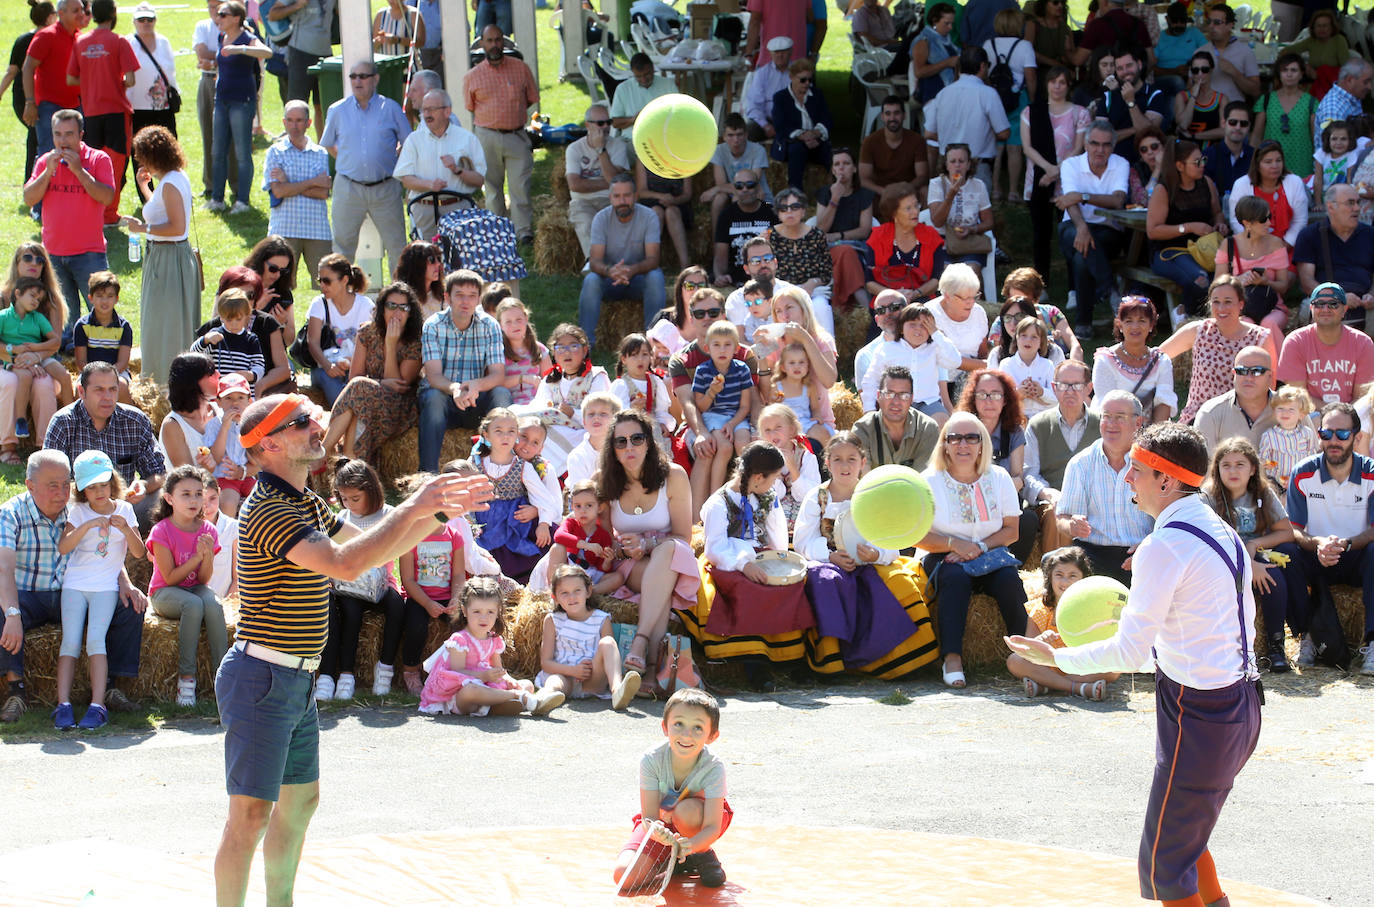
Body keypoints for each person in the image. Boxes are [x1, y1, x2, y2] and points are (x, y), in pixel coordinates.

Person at [213, 393, 492, 905]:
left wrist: (436, 516)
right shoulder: (269, 507)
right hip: (262, 678)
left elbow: (372, 552)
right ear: (269, 444)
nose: (318, 427)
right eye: (303, 423)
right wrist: (414, 504)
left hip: (291, 679)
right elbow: (343, 563)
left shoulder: (305, 498)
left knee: (299, 807)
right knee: (248, 817)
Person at [1007, 422, 1264, 907]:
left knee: (1164, 865)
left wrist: (1057, 655)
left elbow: (1128, 653)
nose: (1127, 479)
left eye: (1137, 471)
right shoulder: (1221, 530)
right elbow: (1165, 646)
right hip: (1237, 704)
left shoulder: (1163, 546)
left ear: (1167, 481)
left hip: (1201, 713)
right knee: (1185, 844)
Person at [0, 449, 148, 725]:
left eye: (64, 484)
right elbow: (3, 569)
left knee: (131, 606)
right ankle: (16, 690)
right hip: (31, 594)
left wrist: (126, 583)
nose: (60, 492)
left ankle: (111, 687)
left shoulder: (82, 505)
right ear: (30, 485)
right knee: (2, 612)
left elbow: (103, 553)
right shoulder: (12, 514)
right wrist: (12, 613)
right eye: (51, 485)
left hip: (78, 588)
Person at [918, 411, 1029, 689]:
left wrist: (977, 547)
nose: (962, 444)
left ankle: (1028, 653)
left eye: (971, 437)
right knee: (954, 578)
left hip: (989, 553)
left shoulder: (1000, 477)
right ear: (944, 444)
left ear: (983, 444)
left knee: (1009, 580)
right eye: (954, 438)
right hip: (942, 554)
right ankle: (952, 657)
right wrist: (953, 544)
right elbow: (917, 535)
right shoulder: (928, 481)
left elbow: (1012, 531)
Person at [601, 410, 702, 684]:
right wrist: (623, 549)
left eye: (636, 438)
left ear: (649, 441)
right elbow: (606, 543)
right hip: (632, 566)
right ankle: (651, 667)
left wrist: (648, 543)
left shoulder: (674, 475)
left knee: (667, 553)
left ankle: (640, 643)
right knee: (660, 584)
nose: (629, 447)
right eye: (620, 442)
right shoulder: (605, 479)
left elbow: (684, 536)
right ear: (612, 449)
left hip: (671, 556)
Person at [320, 459, 426, 698]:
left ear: (370, 490)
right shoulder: (343, 517)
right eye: (344, 499)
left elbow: (398, 550)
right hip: (351, 585)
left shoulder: (388, 514)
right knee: (350, 611)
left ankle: (386, 666)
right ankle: (346, 673)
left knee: (397, 605)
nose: (349, 504)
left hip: (382, 582)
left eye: (355, 498)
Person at [53, 449, 143, 730]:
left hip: (105, 588)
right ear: (81, 490)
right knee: (69, 642)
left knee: (95, 642)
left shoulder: (125, 509)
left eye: (104, 484)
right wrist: (88, 524)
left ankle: (97, 705)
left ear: (112, 483)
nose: (99, 491)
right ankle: (63, 704)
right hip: (75, 585)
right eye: (91, 487)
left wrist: (126, 529)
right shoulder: (78, 511)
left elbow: (139, 553)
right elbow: (64, 546)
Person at [1285, 402, 1374, 675]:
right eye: (1327, 433)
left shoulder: (1372, 473)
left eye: (1342, 434)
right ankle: (1307, 636)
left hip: (1356, 554)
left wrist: (1345, 544)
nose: (1333, 441)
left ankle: (1372, 643)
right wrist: (1320, 543)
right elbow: (1295, 528)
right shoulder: (1302, 472)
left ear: (1357, 438)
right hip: (1316, 554)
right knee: (1285, 551)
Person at [612, 688, 730, 889]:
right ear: (665, 727)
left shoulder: (713, 767)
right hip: (661, 823)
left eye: (698, 728)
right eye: (679, 724)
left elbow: (712, 826)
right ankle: (671, 860)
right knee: (623, 877)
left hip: (696, 821)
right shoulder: (651, 759)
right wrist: (658, 832)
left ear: (712, 736)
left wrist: (692, 845)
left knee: (685, 811)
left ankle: (700, 853)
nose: (686, 734)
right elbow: (648, 817)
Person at [1204, 437, 1300, 672]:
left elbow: (1287, 533)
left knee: (1273, 579)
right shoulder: (1206, 496)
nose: (1233, 471)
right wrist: (1247, 564)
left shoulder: (1263, 493)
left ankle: (1276, 646)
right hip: (1221, 559)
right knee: (1260, 575)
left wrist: (1255, 544)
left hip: (1256, 555)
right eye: (1226, 465)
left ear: (1253, 469)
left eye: (1240, 464)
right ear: (1217, 469)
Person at [22, 108, 113, 349]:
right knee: (62, 315)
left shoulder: (98, 160)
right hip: (53, 254)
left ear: (81, 134)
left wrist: (79, 171)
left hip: (89, 253)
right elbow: (29, 198)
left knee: (102, 311)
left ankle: (104, 355)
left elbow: (106, 197)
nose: (63, 141)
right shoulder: (44, 161)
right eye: (58, 134)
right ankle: (70, 353)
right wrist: (47, 173)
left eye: (69, 134)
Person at [44, 362, 165, 528]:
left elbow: (159, 473)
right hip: (77, 509)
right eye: (99, 390)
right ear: (81, 392)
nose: (107, 397)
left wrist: (143, 485)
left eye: (112, 389)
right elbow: (48, 478)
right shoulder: (63, 422)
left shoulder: (135, 421)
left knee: (168, 496)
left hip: (125, 507)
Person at [120, 125, 196, 385]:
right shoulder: (172, 179)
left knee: (165, 325)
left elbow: (176, 227)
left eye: (142, 156)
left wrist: (142, 229)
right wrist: (145, 188)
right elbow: (162, 211)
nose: (139, 161)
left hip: (168, 260)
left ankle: (164, 382)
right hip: (166, 256)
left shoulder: (172, 183)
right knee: (162, 322)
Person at [321, 59, 411, 275]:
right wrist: (348, 161)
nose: (357, 81)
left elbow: (409, 142)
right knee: (341, 250)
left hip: (385, 188)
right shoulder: (337, 110)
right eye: (353, 76)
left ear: (375, 79)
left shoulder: (390, 108)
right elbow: (327, 143)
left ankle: (400, 297)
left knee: (398, 248)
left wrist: (392, 161)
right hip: (348, 188)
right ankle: (339, 299)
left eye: (363, 76)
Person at [146, 464, 225, 707]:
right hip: (164, 593)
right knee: (193, 605)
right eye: (186, 494)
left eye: (198, 494)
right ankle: (187, 678)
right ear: (169, 498)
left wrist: (207, 558)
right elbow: (169, 578)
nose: (194, 500)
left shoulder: (208, 529)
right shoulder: (161, 531)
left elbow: (202, 581)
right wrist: (196, 558)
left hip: (193, 588)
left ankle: (225, 675)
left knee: (213, 605)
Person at [417, 270, 510, 473]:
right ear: (447, 297)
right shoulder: (433, 326)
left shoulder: (490, 325)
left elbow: (497, 374)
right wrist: (455, 389)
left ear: (478, 299)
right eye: (459, 295)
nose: (465, 301)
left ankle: (503, 467)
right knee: (433, 397)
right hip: (444, 398)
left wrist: (476, 385)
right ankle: (427, 474)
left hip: (476, 399)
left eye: (471, 296)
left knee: (502, 394)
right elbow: (433, 375)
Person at [318, 281, 422, 462]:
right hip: (365, 398)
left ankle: (325, 453)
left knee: (359, 391)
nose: (397, 313)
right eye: (391, 306)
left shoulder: (416, 340)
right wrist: (380, 383)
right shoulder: (367, 332)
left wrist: (390, 344)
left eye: (403, 308)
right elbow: (354, 377)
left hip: (398, 409)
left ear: (410, 312)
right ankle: (348, 460)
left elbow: (397, 387)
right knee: (358, 394)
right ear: (382, 308)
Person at [1057, 390, 1153, 582]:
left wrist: (1150, 547)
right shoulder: (1080, 464)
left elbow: (1168, 519)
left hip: (1142, 550)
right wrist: (1072, 526)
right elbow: (1062, 517)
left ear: (1138, 422)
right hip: (1092, 554)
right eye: (1106, 417)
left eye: (1119, 417)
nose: (1111, 424)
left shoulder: (1153, 464)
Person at [1008, 546, 1119, 699]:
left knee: (1113, 669)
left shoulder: (1093, 609)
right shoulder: (1040, 609)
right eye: (1059, 575)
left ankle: (1048, 686)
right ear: (1050, 578)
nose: (1065, 581)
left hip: (1082, 667)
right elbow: (1029, 648)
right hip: (1049, 668)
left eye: (1072, 575)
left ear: (1083, 579)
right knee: (1015, 660)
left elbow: (1101, 646)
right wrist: (1040, 640)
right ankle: (1077, 688)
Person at [1163, 275, 1275, 424]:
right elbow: (1156, 357)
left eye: (1228, 302)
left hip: (1240, 419)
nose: (1221, 308)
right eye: (1216, 302)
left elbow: (1269, 384)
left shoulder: (1260, 338)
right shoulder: (1198, 330)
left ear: (1241, 304)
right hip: (1198, 418)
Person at [956, 368, 1042, 561]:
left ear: (1005, 400)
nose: (988, 400)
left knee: (1028, 521)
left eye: (995, 394)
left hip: (1001, 503)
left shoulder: (1014, 431)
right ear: (973, 398)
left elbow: (1019, 478)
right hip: (964, 501)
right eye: (982, 394)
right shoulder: (959, 429)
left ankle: (1006, 565)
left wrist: (993, 490)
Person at [465, 25, 538, 245]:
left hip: (516, 134)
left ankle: (523, 231)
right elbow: (470, 106)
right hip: (487, 135)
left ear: (504, 43)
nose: (495, 45)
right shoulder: (472, 76)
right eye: (490, 41)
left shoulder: (521, 68)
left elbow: (531, 98)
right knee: (492, 187)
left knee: (520, 186)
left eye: (498, 40)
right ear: (482, 44)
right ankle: (498, 232)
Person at [65, 0, 137, 224]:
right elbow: (131, 79)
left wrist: (91, 80)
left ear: (91, 14)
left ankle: (90, 211)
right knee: (114, 164)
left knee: (90, 162)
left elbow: (70, 78)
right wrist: (114, 81)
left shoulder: (81, 41)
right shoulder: (119, 41)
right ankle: (109, 214)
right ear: (113, 13)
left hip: (91, 112)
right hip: (116, 112)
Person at [1056, 119, 1127, 338]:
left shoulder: (1120, 163)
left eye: (1106, 145)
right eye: (1095, 143)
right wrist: (1082, 228)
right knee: (1081, 243)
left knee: (1082, 256)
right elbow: (1070, 202)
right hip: (1074, 226)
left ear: (1112, 147)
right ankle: (1110, 290)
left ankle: (1084, 323)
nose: (1100, 149)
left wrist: (1083, 196)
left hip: (1108, 229)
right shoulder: (1071, 165)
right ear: (1086, 144)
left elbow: (1118, 200)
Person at [579, 174, 666, 347]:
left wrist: (631, 270)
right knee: (591, 280)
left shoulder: (649, 217)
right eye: (617, 196)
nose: (622, 201)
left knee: (656, 277)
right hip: (610, 280)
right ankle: (585, 344)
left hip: (637, 279)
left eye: (627, 195)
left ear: (635, 196)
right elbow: (595, 261)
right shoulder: (601, 219)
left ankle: (653, 341)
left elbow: (653, 259)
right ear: (610, 198)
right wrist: (610, 271)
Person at [536, 564, 640, 708]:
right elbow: (546, 663)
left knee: (608, 642)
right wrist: (573, 671)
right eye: (564, 593)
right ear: (555, 597)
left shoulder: (601, 619)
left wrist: (586, 670)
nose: (571, 597)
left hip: (592, 681)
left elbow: (609, 656)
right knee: (554, 681)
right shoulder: (553, 620)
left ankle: (617, 690)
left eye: (577, 590)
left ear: (588, 591)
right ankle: (542, 699)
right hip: (565, 677)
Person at [1022, 359, 1099, 553]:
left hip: (1092, 500)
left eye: (1077, 385)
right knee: (1058, 511)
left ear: (1088, 388)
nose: (1070, 391)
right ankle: (1055, 574)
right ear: (1054, 388)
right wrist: (1048, 493)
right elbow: (1029, 473)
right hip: (1051, 500)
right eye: (1064, 385)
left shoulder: (1102, 425)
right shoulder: (1038, 425)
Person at [1147, 139, 1226, 324]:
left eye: (1203, 160)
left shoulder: (1206, 183)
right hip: (1170, 251)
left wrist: (1220, 224)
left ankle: (1205, 321)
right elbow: (1153, 231)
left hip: (1204, 249)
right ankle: (1187, 320)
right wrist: (1188, 228)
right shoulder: (1164, 189)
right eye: (1196, 162)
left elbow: (1217, 213)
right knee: (1200, 279)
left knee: (1224, 278)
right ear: (1180, 166)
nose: (1202, 165)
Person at [1021, 65, 1090, 276]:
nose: (1057, 86)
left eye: (1062, 82)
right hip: (1038, 179)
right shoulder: (1030, 111)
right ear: (1047, 84)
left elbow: (1078, 147)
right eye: (1053, 81)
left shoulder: (1080, 112)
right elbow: (1027, 148)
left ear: (1068, 86)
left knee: (1069, 233)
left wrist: (1056, 172)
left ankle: (1073, 287)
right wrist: (1048, 169)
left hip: (1068, 181)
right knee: (1040, 235)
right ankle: (1042, 284)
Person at [394, 88, 484, 241]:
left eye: (432, 109)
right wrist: (429, 185)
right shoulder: (413, 140)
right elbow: (406, 180)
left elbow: (479, 180)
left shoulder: (467, 139)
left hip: (458, 209)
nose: (427, 114)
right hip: (424, 210)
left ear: (447, 112)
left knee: (458, 260)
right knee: (426, 260)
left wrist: (457, 170)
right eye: (424, 110)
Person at [207, 2, 270, 214]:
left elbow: (267, 52)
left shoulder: (246, 37)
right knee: (218, 151)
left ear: (236, 18)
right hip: (221, 100)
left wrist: (240, 49)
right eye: (218, 14)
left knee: (242, 152)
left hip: (242, 102)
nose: (219, 17)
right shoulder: (220, 37)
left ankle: (242, 201)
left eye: (223, 14)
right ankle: (217, 199)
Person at [263, 100, 332, 282]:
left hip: (317, 230)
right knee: (278, 286)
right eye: (290, 120)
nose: (294, 125)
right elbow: (278, 192)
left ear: (309, 123)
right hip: (284, 229)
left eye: (299, 120)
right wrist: (313, 182)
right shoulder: (274, 153)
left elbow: (323, 193)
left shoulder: (321, 153)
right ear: (284, 122)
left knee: (328, 285)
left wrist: (289, 184)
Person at [924, 47, 1011, 190]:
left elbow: (928, 133)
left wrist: (949, 138)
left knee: (949, 208)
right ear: (983, 66)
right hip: (977, 164)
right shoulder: (988, 94)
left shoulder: (943, 93)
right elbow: (1003, 132)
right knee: (976, 210)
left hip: (948, 162)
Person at [1275, 282, 1374, 407]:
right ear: (1311, 309)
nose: (1325, 309)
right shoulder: (1295, 341)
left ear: (1344, 310)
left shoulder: (1363, 343)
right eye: (1319, 304)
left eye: (1333, 304)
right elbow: (1298, 394)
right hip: (1309, 414)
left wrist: (1342, 417)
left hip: (1353, 415)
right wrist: (1329, 415)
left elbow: (1363, 397)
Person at [1294, 185, 1374, 331]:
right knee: (1308, 308)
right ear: (1331, 207)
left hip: (1365, 303)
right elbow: (1307, 283)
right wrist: (1337, 297)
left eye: (1358, 202)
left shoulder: (1370, 235)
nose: (1356, 208)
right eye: (1350, 203)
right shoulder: (1310, 235)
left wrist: (1372, 295)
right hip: (1326, 301)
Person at [1215, 195, 1292, 343]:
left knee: (1269, 324)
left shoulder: (1276, 244)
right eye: (1264, 220)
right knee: (1246, 326)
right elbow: (1216, 287)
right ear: (1247, 223)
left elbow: (1283, 286)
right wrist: (1237, 281)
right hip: (1240, 309)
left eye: (1269, 217)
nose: (1269, 223)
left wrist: (1266, 282)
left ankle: (1279, 366)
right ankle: (1248, 365)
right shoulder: (1228, 244)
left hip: (1272, 307)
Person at [0, 277, 63, 451]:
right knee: (24, 376)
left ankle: (47, 444)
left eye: (38, 299)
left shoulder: (37, 318)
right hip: (10, 360)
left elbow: (55, 341)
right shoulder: (3, 316)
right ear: (18, 294)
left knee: (44, 381)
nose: (35, 301)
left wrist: (35, 350)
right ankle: (17, 425)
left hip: (34, 360)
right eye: (32, 296)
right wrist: (14, 349)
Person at [303, 253, 373, 406]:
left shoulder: (365, 305)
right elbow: (312, 342)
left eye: (327, 281)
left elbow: (372, 344)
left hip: (358, 366)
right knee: (328, 377)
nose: (322, 285)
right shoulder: (319, 304)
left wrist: (352, 363)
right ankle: (345, 416)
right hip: (325, 367)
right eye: (319, 280)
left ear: (344, 280)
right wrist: (329, 367)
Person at [1091, 295, 1175, 422]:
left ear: (1151, 325)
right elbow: (1106, 405)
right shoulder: (1105, 360)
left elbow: (1164, 402)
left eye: (1142, 321)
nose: (1135, 326)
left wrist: (1154, 438)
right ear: (1120, 325)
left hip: (1150, 433)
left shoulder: (1161, 361)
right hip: (1111, 428)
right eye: (1129, 321)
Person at [21, 0, 83, 168]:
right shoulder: (47, 35)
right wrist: (30, 102)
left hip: (75, 105)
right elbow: (27, 68)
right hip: (49, 106)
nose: (81, 14)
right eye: (75, 10)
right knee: (49, 156)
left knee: (76, 156)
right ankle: (43, 194)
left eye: (82, 10)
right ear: (61, 14)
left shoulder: (79, 37)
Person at [2, 2, 57, 190]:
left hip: (23, 99)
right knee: (38, 140)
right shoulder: (48, 39)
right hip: (34, 99)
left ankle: (33, 182)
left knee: (36, 138)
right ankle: (34, 183)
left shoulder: (22, 39)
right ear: (50, 17)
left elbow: (11, 72)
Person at [566, 104, 631, 261]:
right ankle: (594, 262)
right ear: (588, 124)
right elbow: (575, 185)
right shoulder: (574, 149)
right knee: (585, 221)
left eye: (608, 122)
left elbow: (616, 182)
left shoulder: (618, 146)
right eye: (600, 123)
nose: (606, 126)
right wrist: (608, 182)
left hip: (610, 199)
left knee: (615, 222)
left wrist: (601, 150)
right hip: (582, 201)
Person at [863, 182, 946, 303]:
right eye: (908, 208)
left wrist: (915, 294)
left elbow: (936, 279)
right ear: (894, 213)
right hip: (888, 302)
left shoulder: (931, 236)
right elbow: (869, 282)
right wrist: (895, 295)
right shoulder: (878, 237)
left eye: (916, 205)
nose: (915, 212)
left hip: (923, 300)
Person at [852, 364, 941, 471]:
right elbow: (864, 479)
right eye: (889, 394)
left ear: (912, 399)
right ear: (878, 396)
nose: (896, 402)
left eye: (904, 395)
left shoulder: (927, 428)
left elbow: (924, 479)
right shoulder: (862, 430)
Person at [767, 188, 833, 326]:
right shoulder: (769, 236)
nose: (789, 212)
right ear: (778, 213)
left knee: (821, 307)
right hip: (780, 292)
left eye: (795, 207)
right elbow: (764, 271)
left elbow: (826, 272)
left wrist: (812, 283)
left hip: (812, 291)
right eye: (784, 208)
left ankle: (827, 347)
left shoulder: (816, 235)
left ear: (803, 211)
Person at [1194, 345, 1277, 453]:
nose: (1249, 377)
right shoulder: (1211, 413)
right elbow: (1204, 465)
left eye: (1257, 371)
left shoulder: (1293, 409)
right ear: (1234, 373)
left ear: (1270, 376)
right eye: (1242, 371)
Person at [1227, 140, 1308, 248]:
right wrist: (1255, 245)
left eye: (1278, 160)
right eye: (1268, 162)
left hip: (1287, 247)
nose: (1275, 166)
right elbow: (1235, 221)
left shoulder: (1295, 182)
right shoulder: (1241, 184)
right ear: (1257, 164)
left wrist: (1284, 246)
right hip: (1250, 246)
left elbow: (1300, 221)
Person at [704, 113, 774, 236]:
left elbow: (752, 184)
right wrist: (720, 188)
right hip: (734, 193)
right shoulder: (719, 151)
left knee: (739, 197)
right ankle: (718, 241)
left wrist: (716, 189)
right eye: (730, 135)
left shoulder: (758, 150)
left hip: (761, 197)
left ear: (746, 135)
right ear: (724, 137)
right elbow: (721, 183)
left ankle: (739, 239)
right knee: (719, 199)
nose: (735, 140)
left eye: (739, 135)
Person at [770, 58, 832, 192]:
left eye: (810, 80)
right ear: (791, 77)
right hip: (792, 142)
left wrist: (815, 134)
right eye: (803, 80)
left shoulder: (817, 95)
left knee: (831, 153)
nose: (807, 83)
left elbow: (827, 118)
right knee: (797, 150)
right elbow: (780, 126)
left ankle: (833, 190)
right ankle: (795, 192)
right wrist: (803, 136)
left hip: (815, 139)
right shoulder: (781, 98)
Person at [927, 144, 995, 267]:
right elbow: (937, 222)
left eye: (961, 161)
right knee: (948, 275)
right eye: (953, 161)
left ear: (968, 165)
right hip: (942, 242)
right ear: (946, 165)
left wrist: (971, 229)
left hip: (969, 243)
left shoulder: (978, 185)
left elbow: (989, 222)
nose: (957, 165)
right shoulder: (936, 184)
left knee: (972, 273)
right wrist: (950, 195)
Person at [1251, 53, 1315, 180]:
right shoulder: (1266, 100)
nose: (1289, 74)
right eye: (1284, 70)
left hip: (1301, 164)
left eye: (1294, 70)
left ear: (1302, 73)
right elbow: (1256, 137)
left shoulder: (1311, 102)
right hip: (1270, 165)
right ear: (1278, 74)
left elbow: (1315, 139)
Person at [72, 270, 133, 403]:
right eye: (99, 296)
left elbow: (122, 362)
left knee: (121, 387)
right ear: (91, 298)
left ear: (116, 299)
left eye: (110, 296)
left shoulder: (124, 327)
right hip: (90, 372)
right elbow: (81, 362)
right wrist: (96, 377)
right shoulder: (82, 326)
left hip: (117, 372)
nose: (104, 301)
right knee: (80, 390)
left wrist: (107, 376)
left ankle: (126, 421)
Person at [712, 172, 777, 287]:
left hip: (767, 276)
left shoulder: (771, 212)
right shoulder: (726, 215)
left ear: (758, 187)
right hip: (736, 280)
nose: (745, 189)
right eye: (739, 186)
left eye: (750, 185)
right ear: (734, 189)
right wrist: (719, 276)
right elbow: (720, 255)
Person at [279, 0, 334, 126]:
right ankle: (294, 144)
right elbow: (273, 14)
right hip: (301, 52)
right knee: (296, 106)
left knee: (323, 106)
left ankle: (322, 145)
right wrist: (297, 5)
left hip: (325, 53)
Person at [859, 96, 927, 197]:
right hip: (880, 192)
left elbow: (922, 176)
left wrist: (904, 189)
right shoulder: (869, 142)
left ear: (904, 115)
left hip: (908, 191)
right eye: (888, 114)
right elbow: (864, 180)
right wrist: (885, 192)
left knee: (925, 190)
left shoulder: (917, 140)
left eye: (896, 113)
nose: (892, 118)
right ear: (882, 116)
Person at [634, 156, 692, 271]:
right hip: (652, 200)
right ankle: (651, 262)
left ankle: (685, 265)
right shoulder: (643, 159)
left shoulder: (685, 157)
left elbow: (688, 194)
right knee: (656, 213)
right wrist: (661, 196)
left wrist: (674, 200)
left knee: (672, 212)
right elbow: (641, 192)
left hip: (677, 202)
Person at [1260, 385, 1321, 491]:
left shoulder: (1307, 433)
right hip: (1277, 482)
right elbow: (1263, 460)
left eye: (1291, 409)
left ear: (1301, 414)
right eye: (1281, 409)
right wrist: (1269, 465)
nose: (1285, 413)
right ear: (1274, 411)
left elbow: (1312, 457)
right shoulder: (1269, 436)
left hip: (1302, 480)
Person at [1197, 3, 1258, 104]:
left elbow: (1255, 91)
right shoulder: (1199, 52)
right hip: (1206, 109)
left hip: (1233, 111)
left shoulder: (1246, 52)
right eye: (1209, 22)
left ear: (1230, 25)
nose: (1211, 26)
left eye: (1217, 22)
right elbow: (1190, 90)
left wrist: (1234, 73)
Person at [1284, 8, 1348, 98]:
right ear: (1313, 28)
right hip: (1313, 84)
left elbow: (1347, 69)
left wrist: (1319, 74)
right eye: (1318, 26)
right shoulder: (1312, 41)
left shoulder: (1339, 41)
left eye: (1325, 26)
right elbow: (1288, 50)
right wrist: (1301, 65)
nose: (1321, 29)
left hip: (1333, 87)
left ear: (1332, 27)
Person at [743, 36, 793, 143]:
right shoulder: (762, 73)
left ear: (790, 52)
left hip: (792, 119)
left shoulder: (797, 71)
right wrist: (765, 125)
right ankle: (753, 159)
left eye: (783, 52)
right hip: (767, 119)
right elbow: (754, 104)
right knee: (749, 130)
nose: (780, 55)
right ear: (770, 53)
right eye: (776, 52)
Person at [610, 51, 674, 133]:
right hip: (633, 139)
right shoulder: (623, 89)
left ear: (653, 69)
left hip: (663, 136)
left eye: (647, 74)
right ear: (633, 73)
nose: (643, 80)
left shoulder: (668, 84)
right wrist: (633, 120)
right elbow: (614, 123)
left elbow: (679, 113)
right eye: (638, 76)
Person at [1173, 52, 1228, 146]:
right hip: (1186, 152)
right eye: (1195, 70)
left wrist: (1194, 136)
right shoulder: (1182, 97)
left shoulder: (1221, 99)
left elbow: (1224, 131)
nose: (1200, 74)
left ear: (1211, 70)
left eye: (1204, 69)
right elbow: (1183, 124)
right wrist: (1193, 97)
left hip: (1210, 152)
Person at [910, 3, 959, 106]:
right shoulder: (923, 41)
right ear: (935, 21)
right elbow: (919, 72)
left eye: (952, 23)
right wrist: (947, 63)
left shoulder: (946, 40)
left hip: (949, 92)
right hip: (933, 96)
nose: (950, 27)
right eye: (946, 23)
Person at [1152, 1, 1207, 92]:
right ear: (1167, 19)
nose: (1179, 24)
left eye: (1183, 21)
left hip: (1193, 74)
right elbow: (1151, 69)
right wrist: (1175, 71)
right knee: (1177, 81)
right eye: (1175, 21)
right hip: (1166, 79)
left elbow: (1208, 53)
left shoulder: (1194, 32)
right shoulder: (1158, 38)